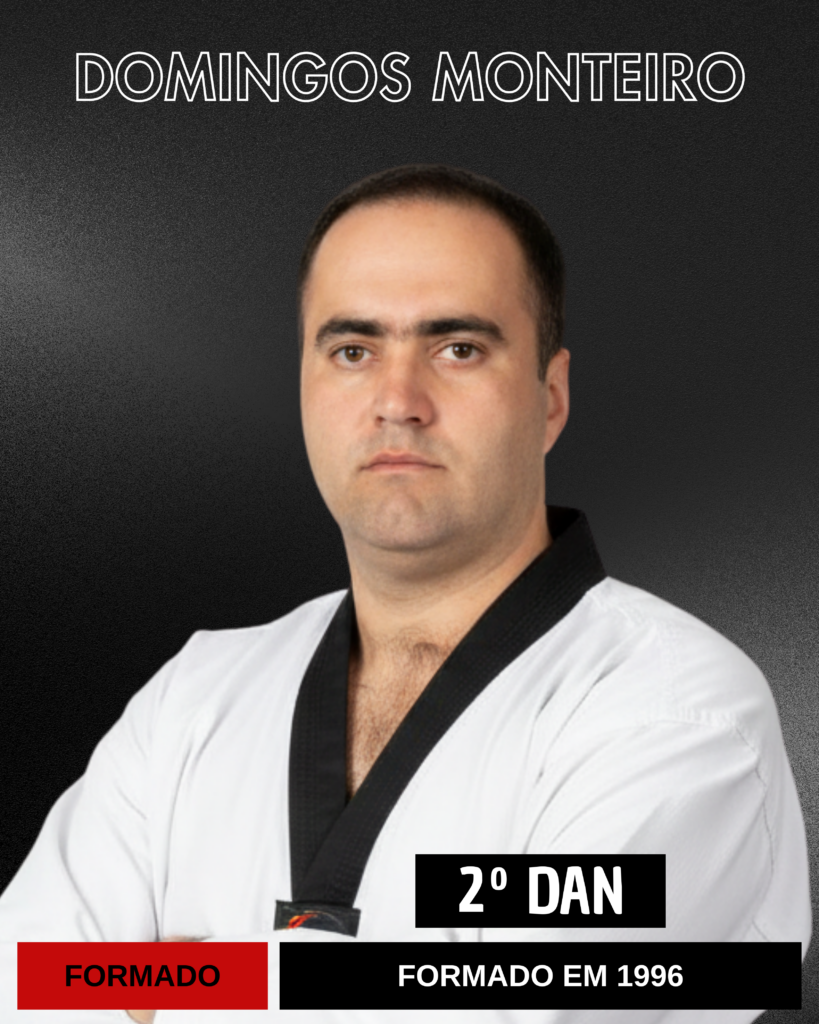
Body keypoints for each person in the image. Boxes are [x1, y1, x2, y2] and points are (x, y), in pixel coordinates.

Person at [0, 165, 811, 1023]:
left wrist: (159, 990)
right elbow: (26, 984)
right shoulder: (195, 696)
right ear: (305, 385)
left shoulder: (677, 716)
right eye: (352, 351)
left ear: (550, 398)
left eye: (457, 348)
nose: (397, 402)